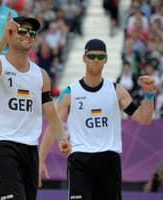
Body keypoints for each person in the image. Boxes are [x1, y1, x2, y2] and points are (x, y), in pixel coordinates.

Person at [39, 38, 155, 200]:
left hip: (108, 160)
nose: (96, 60)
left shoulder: (117, 91)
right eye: (92, 56)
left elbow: (144, 119)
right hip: (80, 159)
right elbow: (54, 126)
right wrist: (41, 160)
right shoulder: (70, 93)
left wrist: (149, 94)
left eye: (100, 57)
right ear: (84, 57)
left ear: (106, 59)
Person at [0, 13, 70, 200]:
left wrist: (61, 139)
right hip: (1, 144)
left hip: (29, 148)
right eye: (23, 30)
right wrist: (3, 40)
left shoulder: (40, 75)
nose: (28, 35)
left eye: (32, 32)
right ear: (11, 33)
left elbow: (51, 114)